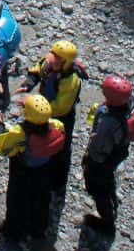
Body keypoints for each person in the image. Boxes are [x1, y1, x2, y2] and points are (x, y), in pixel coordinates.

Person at [81, 75, 134, 236]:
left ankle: (107, 223)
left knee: (98, 187)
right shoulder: (130, 103)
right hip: (120, 150)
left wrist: (89, 161)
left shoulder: (109, 123)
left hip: (104, 159)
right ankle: (112, 200)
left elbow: (98, 147)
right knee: (107, 179)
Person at [0, 93, 66, 242]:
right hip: (44, 169)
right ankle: (38, 229)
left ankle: (13, 231)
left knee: (17, 201)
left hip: (22, 171)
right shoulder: (55, 125)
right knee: (42, 198)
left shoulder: (19, 133)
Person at [17, 39, 84, 195]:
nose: (51, 61)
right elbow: (38, 68)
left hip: (61, 118)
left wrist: (34, 105)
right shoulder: (51, 63)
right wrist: (29, 83)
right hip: (42, 110)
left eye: (56, 59)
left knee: (61, 150)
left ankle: (58, 185)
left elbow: (61, 108)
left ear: (65, 63)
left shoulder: (71, 81)